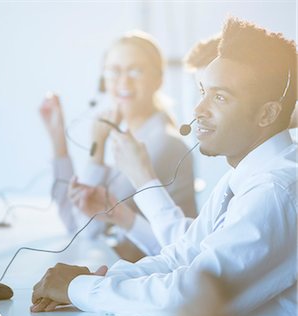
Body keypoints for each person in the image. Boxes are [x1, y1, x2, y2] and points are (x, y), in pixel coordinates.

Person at [31, 17, 297, 316]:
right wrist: (91, 281)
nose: (199, 109)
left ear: (267, 113)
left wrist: (79, 288)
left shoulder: (275, 191)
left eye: (220, 97)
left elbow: (189, 293)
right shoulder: (240, 177)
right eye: (203, 92)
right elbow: (179, 257)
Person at [39, 31, 196, 259]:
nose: (123, 81)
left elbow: (87, 227)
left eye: (135, 70)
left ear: (158, 80)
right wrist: (58, 139)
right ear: (103, 82)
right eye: (114, 71)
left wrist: (97, 148)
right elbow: (74, 219)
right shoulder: (128, 134)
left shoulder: (161, 144)